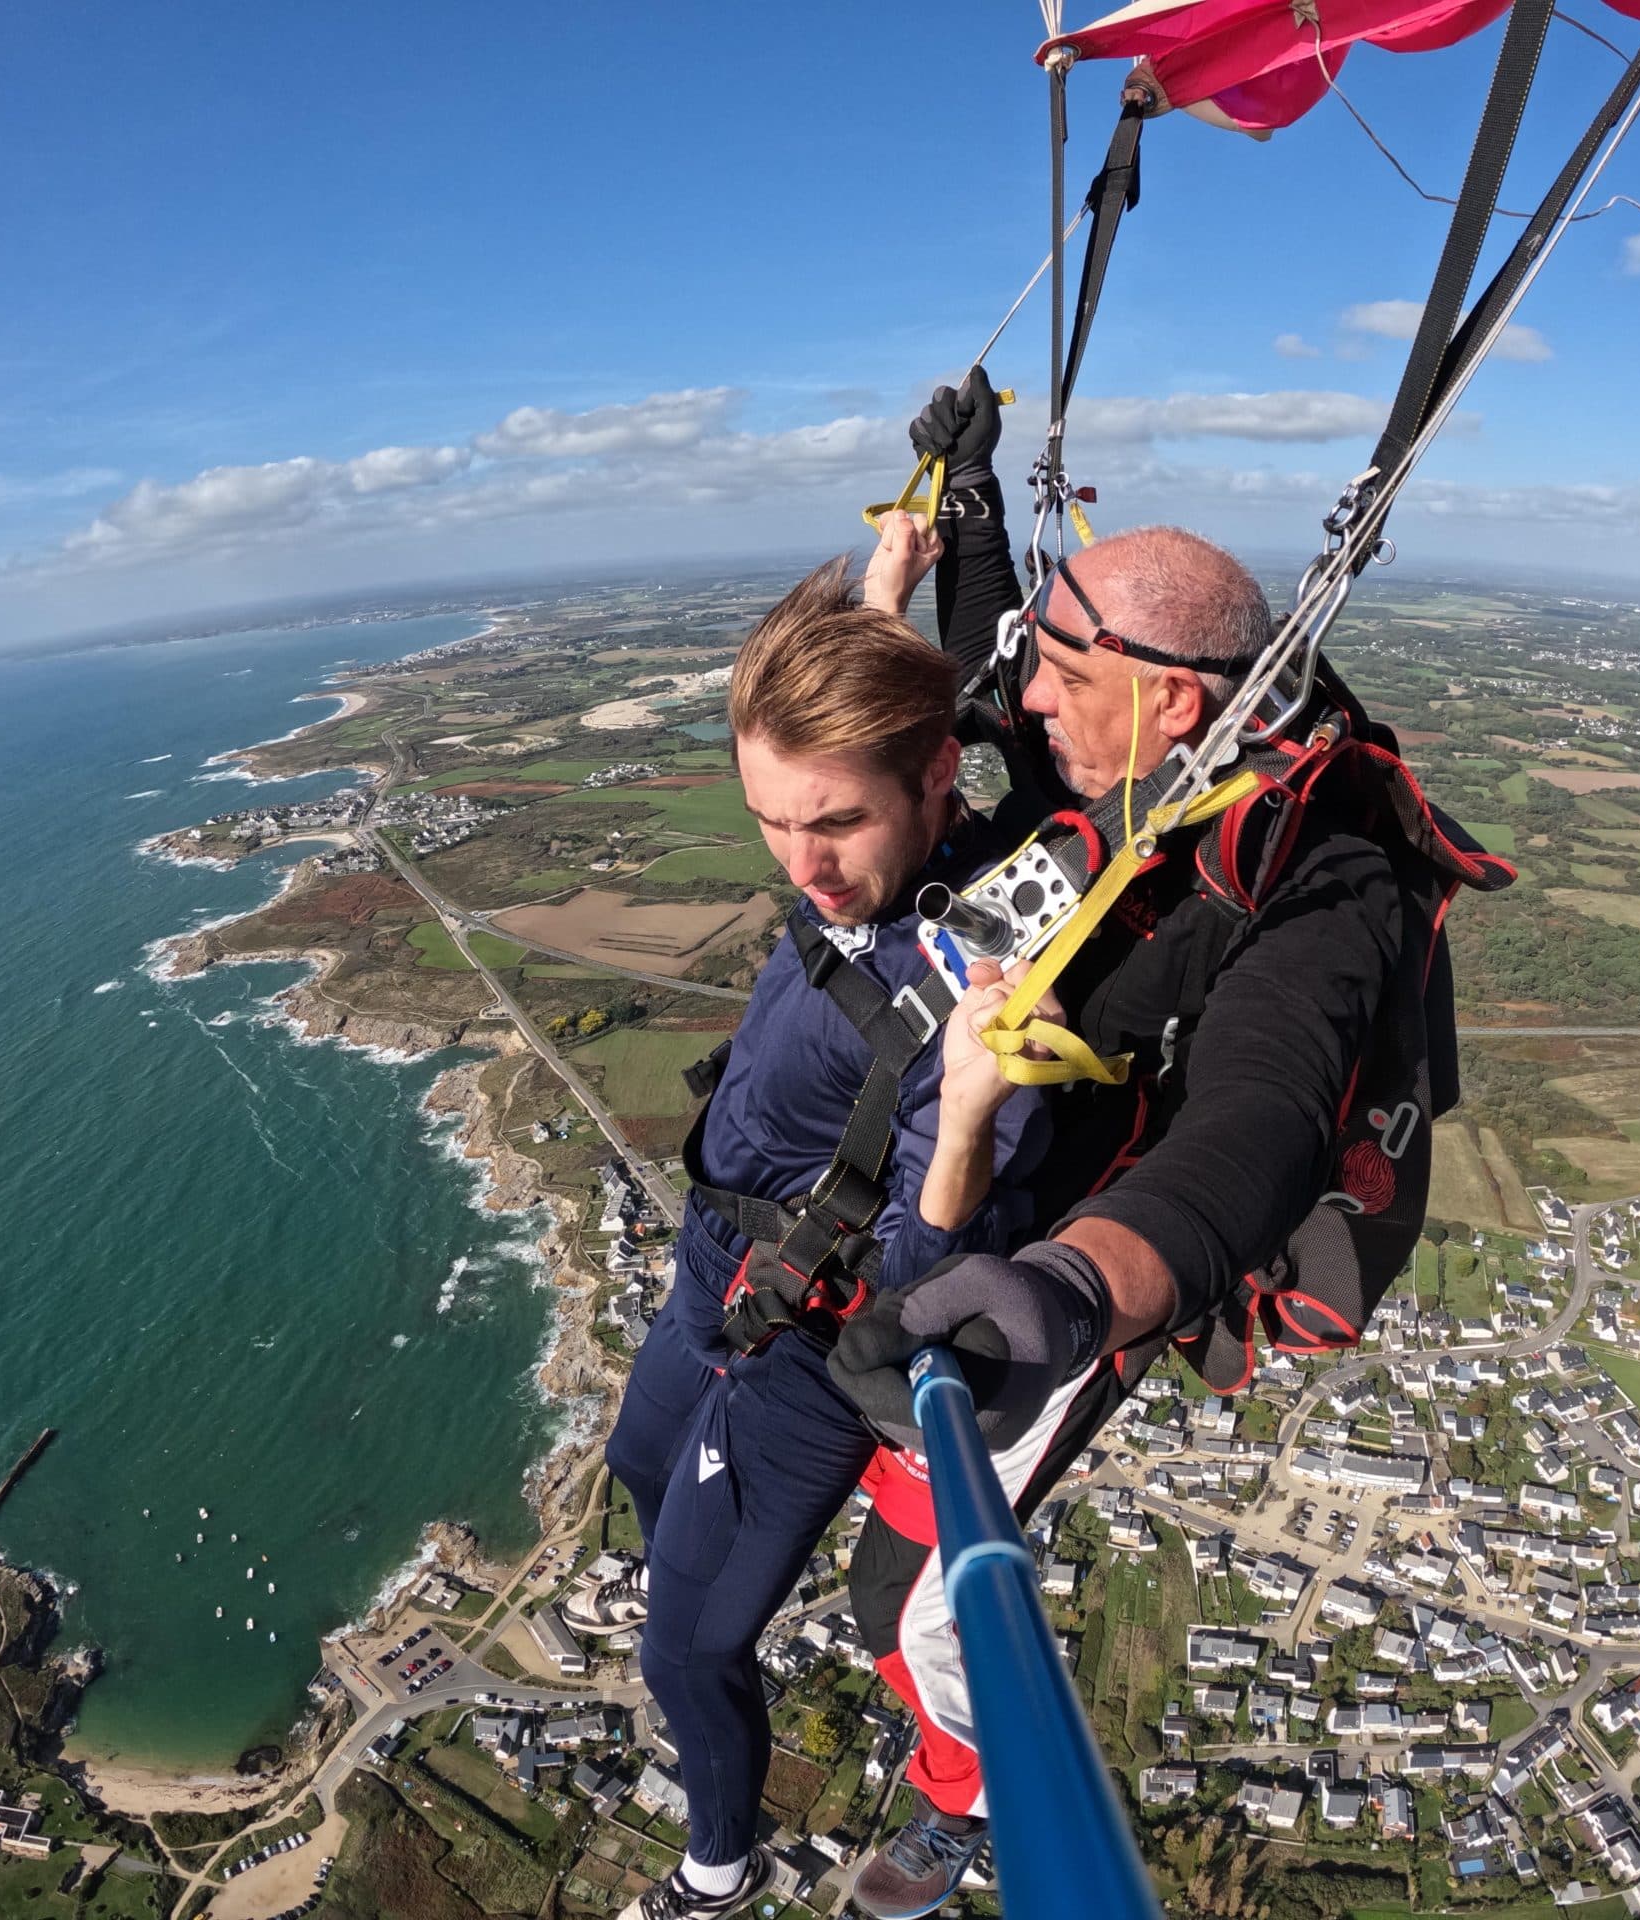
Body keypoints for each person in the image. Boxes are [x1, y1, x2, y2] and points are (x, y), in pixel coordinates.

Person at [823, 370, 1509, 1917]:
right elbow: (1001, 662)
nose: (1027, 700)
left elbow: (1257, 1129)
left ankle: (972, 1806)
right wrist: (974, 500)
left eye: (1068, 673)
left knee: (917, 1600)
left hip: (1077, 1240)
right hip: (987, 1165)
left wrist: (1069, 1294)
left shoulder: (1322, 885)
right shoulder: (1130, 740)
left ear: (1174, 699)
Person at [581, 557, 1061, 1920]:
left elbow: (918, 1284)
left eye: (836, 823)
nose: (804, 865)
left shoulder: (986, 984)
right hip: (711, 1280)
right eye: (772, 822)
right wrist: (885, 585)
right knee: (631, 1456)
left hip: (797, 1351)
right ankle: (691, 1552)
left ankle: (715, 1873)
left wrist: (971, 1106)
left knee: (687, 1657)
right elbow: (851, 748)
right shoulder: (866, 845)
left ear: (934, 788)